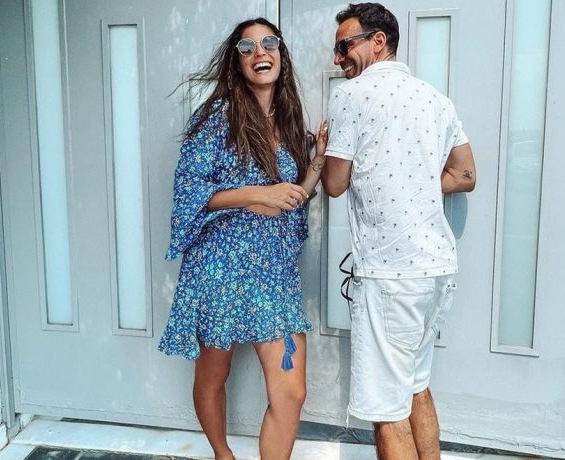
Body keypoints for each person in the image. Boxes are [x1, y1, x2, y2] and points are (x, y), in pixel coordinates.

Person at [158, 17, 327, 460]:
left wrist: (316, 164)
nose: (259, 53)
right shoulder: (217, 119)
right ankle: (222, 454)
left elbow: (290, 199)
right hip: (220, 267)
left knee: (291, 392)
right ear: (236, 63)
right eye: (247, 48)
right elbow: (189, 191)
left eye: (268, 43)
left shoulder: (290, 122)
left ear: (281, 54)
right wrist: (256, 193)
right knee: (214, 374)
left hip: (272, 272)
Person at [322, 3, 476, 460]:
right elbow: (465, 174)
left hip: (390, 274)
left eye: (344, 45)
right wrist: (420, 180)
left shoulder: (350, 96)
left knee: (386, 411)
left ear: (378, 41)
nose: (338, 58)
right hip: (436, 269)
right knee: (415, 388)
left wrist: (323, 150)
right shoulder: (435, 99)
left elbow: (334, 184)